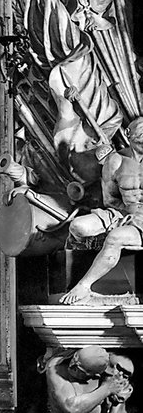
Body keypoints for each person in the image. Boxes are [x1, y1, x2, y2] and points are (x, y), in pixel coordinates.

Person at [61, 117, 143, 303]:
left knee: (116, 237)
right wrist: (126, 216)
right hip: (122, 213)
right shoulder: (115, 161)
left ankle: (83, 287)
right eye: (140, 129)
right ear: (128, 133)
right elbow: (110, 200)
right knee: (78, 227)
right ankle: (83, 265)